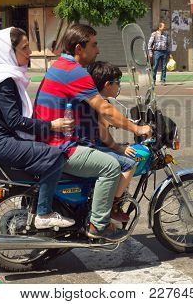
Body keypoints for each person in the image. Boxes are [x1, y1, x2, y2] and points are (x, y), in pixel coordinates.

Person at [34, 24, 152, 242]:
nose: (98, 50)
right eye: (94, 45)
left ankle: (95, 209)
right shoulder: (74, 72)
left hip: (50, 140)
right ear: (79, 48)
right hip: (60, 147)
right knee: (111, 166)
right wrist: (137, 129)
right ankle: (98, 225)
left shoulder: (60, 65)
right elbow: (105, 109)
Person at [0, 27, 75, 230]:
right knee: (54, 157)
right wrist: (51, 125)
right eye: (24, 48)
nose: (29, 52)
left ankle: (30, 202)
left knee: (37, 150)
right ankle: (44, 213)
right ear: (9, 52)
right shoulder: (4, 80)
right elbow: (15, 121)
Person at [83, 61, 137, 222]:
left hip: (89, 143)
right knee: (129, 164)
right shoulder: (102, 103)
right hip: (93, 145)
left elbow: (106, 125)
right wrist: (118, 147)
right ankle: (113, 205)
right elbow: (103, 134)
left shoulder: (94, 98)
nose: (119, 86)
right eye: (117, 83)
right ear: (107, 85)